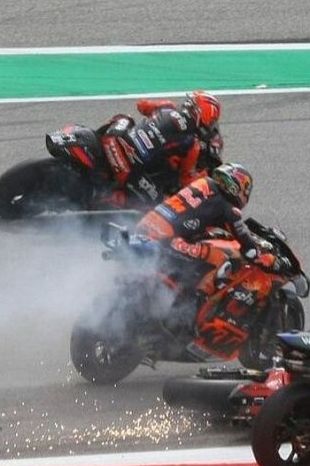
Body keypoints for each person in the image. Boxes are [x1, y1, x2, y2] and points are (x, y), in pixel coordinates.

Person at [135, 163, 286, 357]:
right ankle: (192, 314)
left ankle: (174, 303)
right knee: (220, 258)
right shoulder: (228, 208)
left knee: (197, 259)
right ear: (238, 186)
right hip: (169, 240)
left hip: (145, 229)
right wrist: (263, 257)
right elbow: (247, 247)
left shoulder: (201, 184)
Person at [100, 90, 223, 207]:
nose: (211, 126)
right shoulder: (192, 144)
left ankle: (96, 143)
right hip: (127, 169)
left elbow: (141, 105)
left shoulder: (167, 106)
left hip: (112, 140)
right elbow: (186, 180)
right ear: (202, 116)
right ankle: (104, 201)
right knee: (161, 204)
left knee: (125, 119)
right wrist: (205, 176)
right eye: (212, 122)